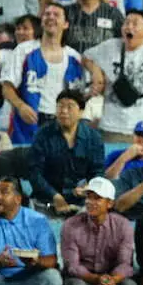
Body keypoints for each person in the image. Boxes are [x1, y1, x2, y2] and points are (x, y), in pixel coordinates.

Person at [82, 10, 143, 143]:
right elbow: (86, 57)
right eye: (126, 23)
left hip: (142, 128)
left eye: (135, 23)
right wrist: (96, 73)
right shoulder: (110, 46)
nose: (129, 26)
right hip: (110, 126)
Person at [0, 3, 85, 144]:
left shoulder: (74, 57)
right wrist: (21, 106)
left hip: (60, 125)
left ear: (66, 24)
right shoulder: (23, 50)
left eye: (56, 14)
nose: (50, 17)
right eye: (47, 14)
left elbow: (79, 96)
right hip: (27, 125)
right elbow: (7, 87)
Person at [27, 89, 105, 217]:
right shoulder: (42, 135)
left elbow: (98, 171)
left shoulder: (93, 138)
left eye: (70, 107)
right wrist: (55, 196)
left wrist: (88, 188)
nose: (63, 111)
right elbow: (34, 172)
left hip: (80, 202)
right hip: (46, 201)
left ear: (81, 111)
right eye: (60, 106)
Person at [60, 176, 138, 285]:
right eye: (88, 197)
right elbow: (73, 266)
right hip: (81, 278)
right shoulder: (71, 225)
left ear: (110, 203)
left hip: (111, 277)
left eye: (97, 198)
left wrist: (112, 280)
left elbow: (125, 264)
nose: (90, 202)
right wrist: (97, 279)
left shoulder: (123, 226)